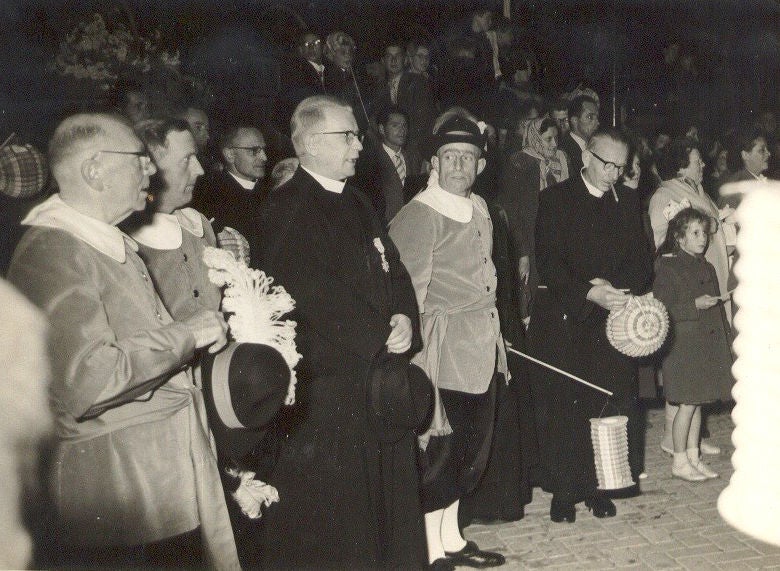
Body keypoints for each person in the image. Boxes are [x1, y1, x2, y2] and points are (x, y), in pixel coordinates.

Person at [7, 113, 238, 569]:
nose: (150, 170)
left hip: (155, 484)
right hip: (118, 497)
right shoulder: (53, 251)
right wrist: (186, 334)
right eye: (138, 159)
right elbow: (88, 382)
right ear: (95, 169)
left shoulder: (100, 242)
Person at [252, 95, 426, 569]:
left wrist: (404, 315)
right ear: (310, 144)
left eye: (357, 135)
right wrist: (376, 334)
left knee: (388, 504)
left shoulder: (357, 199)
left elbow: (393, 267)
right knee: (344, 517)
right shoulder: (287, 207)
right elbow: (307, 294)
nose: (358, 145)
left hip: (377, 378)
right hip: (329, 390)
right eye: (347, 136)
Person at [389, 109, 508, 570]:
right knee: (439, 451)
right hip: (440, 349)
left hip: (481, 342)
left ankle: (452, 538)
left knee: (469, 448)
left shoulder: (479, 207)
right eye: (450, 156)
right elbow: (406, 294)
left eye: (468, 157)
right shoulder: (420, 214)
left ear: (481, 164)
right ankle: (431, 550)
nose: (459, 165)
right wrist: (413, 360)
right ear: (434, 163)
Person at [528, 128, 652, 523]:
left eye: (620, 167)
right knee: (565, 407)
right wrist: (587, 291)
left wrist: (614, 289)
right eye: (607, 164)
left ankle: (600, 486)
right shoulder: (555, 199)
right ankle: (564, 492)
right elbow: (549, 261)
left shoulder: (628, 201)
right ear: (586, 158)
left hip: (611, 317)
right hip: (567, 316)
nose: (614, 174)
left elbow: (642, 262)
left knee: (606, 404)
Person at [649, 138, 732, 459]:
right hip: (687, 290)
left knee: (702, 368)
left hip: (707, 281)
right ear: (681, 165)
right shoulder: (665, 195)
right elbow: (663, 241)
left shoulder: (697, 190)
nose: (704, 165)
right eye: (698, 161)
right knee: (686, 374)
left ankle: (695, 436)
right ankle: (674, 438)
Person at [652, 207, 733, 481]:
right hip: (683, 348)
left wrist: (725, 339)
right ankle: (679, 460)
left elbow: (718, 313)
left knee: (698, 403)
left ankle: (694, 457)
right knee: (686, 406)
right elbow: (662, 309)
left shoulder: (707, 266)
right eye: (695, 233)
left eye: (704, 233)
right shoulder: (669, 267)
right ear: (679, 237)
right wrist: (694, 305)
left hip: (704, 347)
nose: (702, 239)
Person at [497, 117, 568, 321]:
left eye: (556, 138)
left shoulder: (562, 161)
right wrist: (523, 253)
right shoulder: (520, 162)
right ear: (535, 138)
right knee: (530, 301)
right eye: (548, 139)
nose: (554, 144)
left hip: (556, 241)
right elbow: (513, 211)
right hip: (530, 242)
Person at [191, 124, 268, 244]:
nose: (264, 157)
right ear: (230, 155)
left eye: (263, 149)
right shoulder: (210, 196)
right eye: (254, 150)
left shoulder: (271, 192)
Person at [355, 105, 423, 223]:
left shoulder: (414, 158)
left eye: (404, 125)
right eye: (395, 125)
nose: (402, 130)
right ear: (382, 129)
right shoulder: (369, 161)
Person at [277, 32, 327, 136]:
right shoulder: (295, 71)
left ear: (323, 47)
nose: (311, 47)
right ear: (300, 50)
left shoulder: (330, 72)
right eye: (306, 44)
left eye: (316, 43)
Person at [559, 94, 600, 175]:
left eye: (597, 118)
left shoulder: (596, 146)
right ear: (574, 120)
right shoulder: (563, 151)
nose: (597, 123)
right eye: (590, 117)